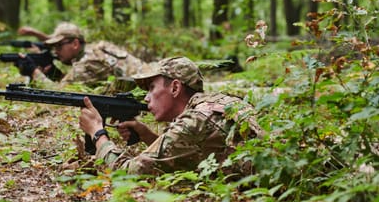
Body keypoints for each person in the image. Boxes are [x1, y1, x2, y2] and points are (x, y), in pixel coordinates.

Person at [79, 56, 261, 175]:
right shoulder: (222, 103)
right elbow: (188, 151)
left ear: (175, 88)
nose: (147, 97)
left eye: (151, 88)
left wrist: (97, 133)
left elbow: (128, 174)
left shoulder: (193, 122)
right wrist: (146, 135)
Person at [18, 22, 145, 88]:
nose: (55, 51)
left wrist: (34, 71)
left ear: (75, 44)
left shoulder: (85, 64)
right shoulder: (98, 48)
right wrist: (53, 73)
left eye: (59, 46)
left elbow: (59, 93)